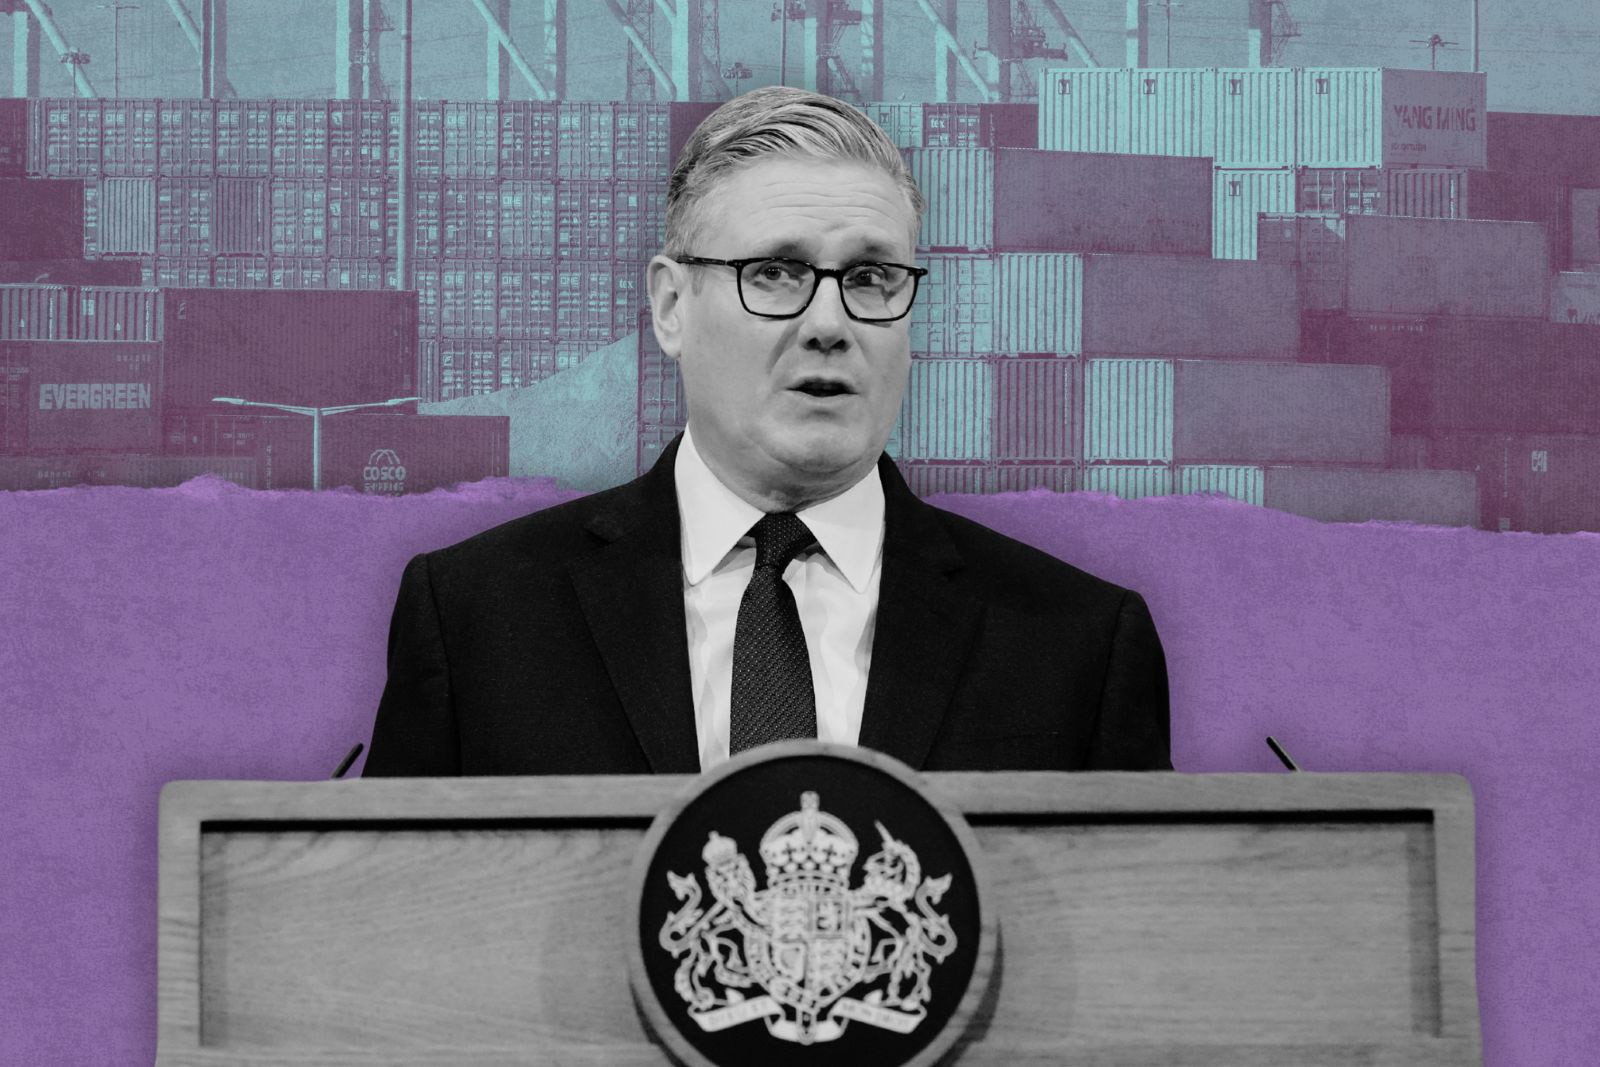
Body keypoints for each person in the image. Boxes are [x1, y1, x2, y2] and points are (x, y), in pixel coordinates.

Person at [364, 86, 1171, 777]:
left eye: (871, 277)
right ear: (672, 306)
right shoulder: (477, 617)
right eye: (777, 272)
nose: (830, 322)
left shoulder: (1079, 645)